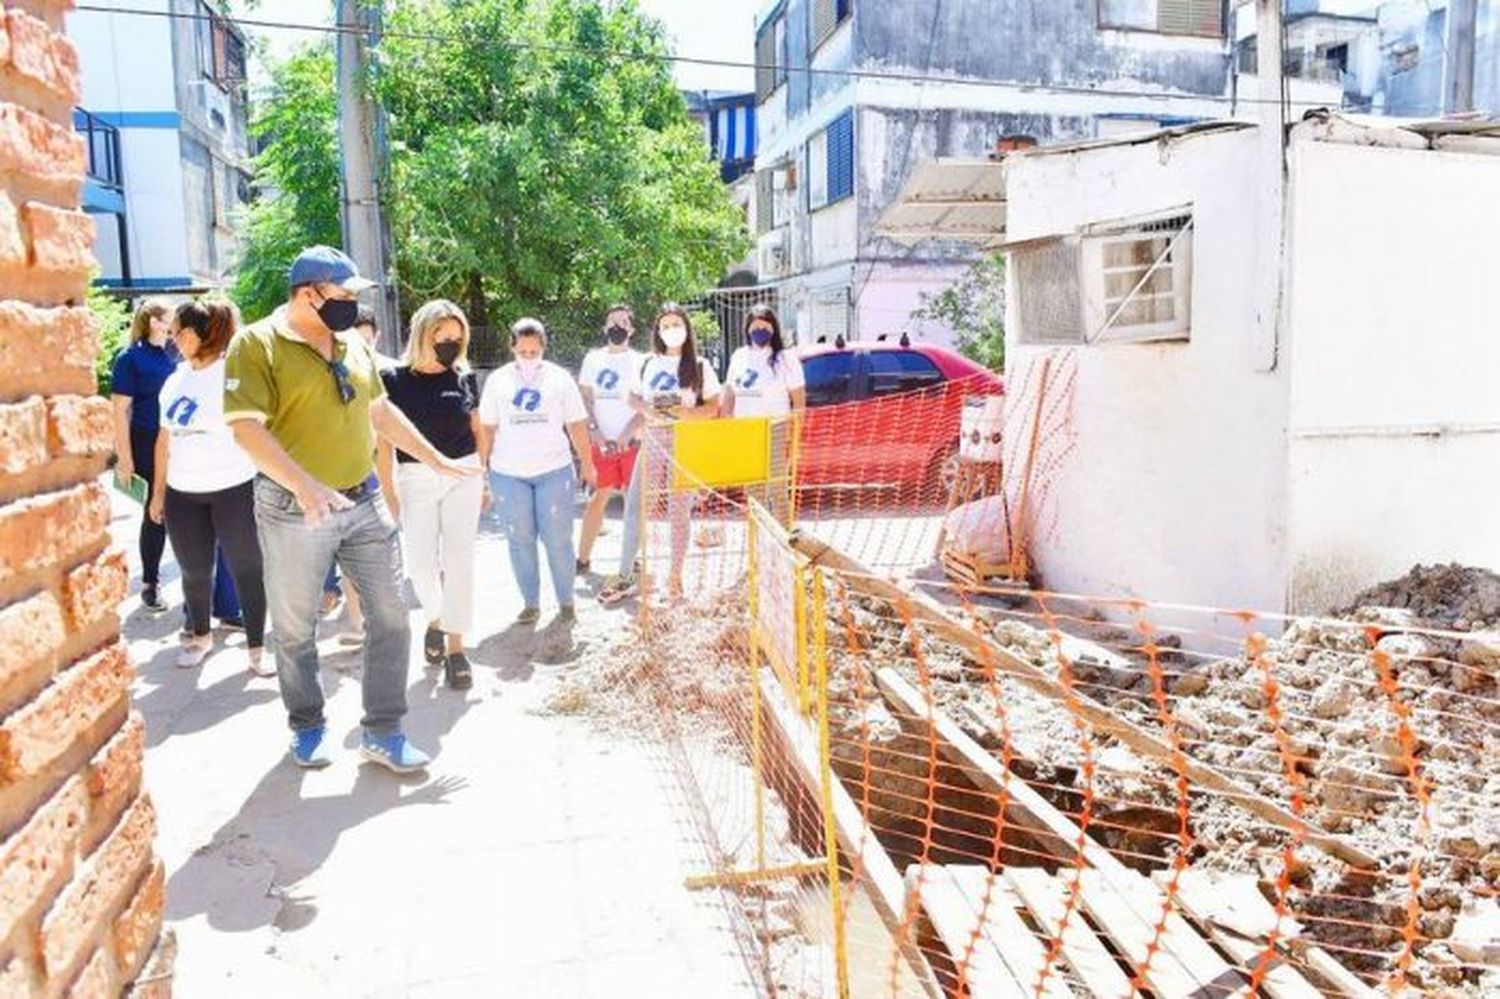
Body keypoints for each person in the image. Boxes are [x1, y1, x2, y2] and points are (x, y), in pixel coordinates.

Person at [224, 245, 476, 773]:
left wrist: (433, 458)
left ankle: (383, 731)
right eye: (343, 294)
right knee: (295, 628)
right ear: (308, 293)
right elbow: (245, 427)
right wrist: (303, 485)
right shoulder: (257, 345)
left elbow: (379, 410)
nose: (351, 305)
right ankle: (308, 724)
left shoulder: (351, 345)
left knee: (391, 614)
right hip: (294, 508)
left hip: (361, 498)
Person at [147, 300, 271, 676]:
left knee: (248, 569)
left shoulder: (230, 374)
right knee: (194, 571)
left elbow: (256, 430)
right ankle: (200, 637)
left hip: (233, 488)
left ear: (203, 333)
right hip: (184, 493)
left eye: (179, 331)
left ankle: (257, 647)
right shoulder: (173, 380)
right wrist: (158, 492)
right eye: (172, 332)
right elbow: (163, 441)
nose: (173, 338)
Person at [375, 300, 486, 690]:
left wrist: (483, 477)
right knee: (421, 565)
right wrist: (389, 492)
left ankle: (457, 646)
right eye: (444, 338)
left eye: (458, 338)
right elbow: (383, 442)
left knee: (460, 561)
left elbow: (477, 430)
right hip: (415, 478)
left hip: (464, 474)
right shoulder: (392, 378)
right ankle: (435, 620)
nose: (452, 345)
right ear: (424, 334)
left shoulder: (463, 376)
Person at [599, 304, 721, 605]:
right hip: (653, 440)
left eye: (676, 324)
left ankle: (675, 578)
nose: (671, 330)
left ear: (687, 328)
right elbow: (631, 396)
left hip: (686, 443)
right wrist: (646, 410)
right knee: (637, 507)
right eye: (665, 325)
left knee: (679, 512)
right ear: (657, 331)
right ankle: (625, 574)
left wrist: (686, 412)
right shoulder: (648, 363)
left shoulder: (701, 366)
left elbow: (713, 407)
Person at [478, 318, 597, 625]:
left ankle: (566, 601)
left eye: (534, 352)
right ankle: (531, 602)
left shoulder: (559, 379)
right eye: (523, 352)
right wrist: (482, 473)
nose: (529, 357)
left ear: (543, 348)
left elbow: (576, 424)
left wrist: (588, 463)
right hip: (508, 473)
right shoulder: (498, 381)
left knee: (558, 538)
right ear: (513, 348)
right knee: (520, 539)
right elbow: (487, 429)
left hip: (553, 471)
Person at [322, 304, 392, 637]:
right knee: (348, 551)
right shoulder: (329, 369)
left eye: (367, 339)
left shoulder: (390, 373)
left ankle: (381, 617)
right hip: (345, 473)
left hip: (382, 470)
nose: (362, 346)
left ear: (376, 337)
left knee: (381, 553)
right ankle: (355, 620)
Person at [111, 298, 176, 613]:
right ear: (154, 321)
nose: (175, 321)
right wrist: (124, 456)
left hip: (181, 439)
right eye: (169, 316)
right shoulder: (130, 358)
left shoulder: (177, 352)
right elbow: (120, 410)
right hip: (146, 438)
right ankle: (151, 583)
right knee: (155, 509)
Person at [576, 304, 643, 573]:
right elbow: (584, 396)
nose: (617, 327)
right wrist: (594, 429)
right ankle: (582, 559)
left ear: (632, 329)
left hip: (633, 442)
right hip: (601, 443)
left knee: (633, 502)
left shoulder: (642, 360)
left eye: (623, 322)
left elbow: (645, 403)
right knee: (598, 498)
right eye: (612, 322)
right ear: (604, 328)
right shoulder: (593, 359)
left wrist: (629, 432)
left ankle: (631, 558)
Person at [722, 304, 806, 418]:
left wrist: (794, 433)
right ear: (748, 329)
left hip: (776, 431)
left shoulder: (786, 358)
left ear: (774, 329)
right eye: (756, 328)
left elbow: (799, 402)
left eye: (765, 328)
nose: (760, 331)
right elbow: (729, 396)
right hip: (742, 430)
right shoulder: (738, 356)